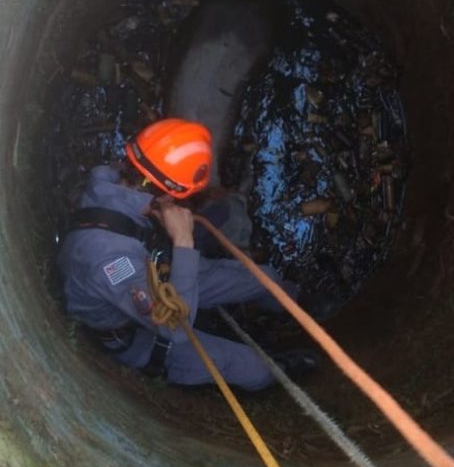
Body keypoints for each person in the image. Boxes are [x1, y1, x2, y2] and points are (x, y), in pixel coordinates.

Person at [58, 118, 317, 390]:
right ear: (167, 193)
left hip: (154, 266)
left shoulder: (109, 181)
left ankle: (297, 306)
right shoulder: (110, 261)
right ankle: (277, 372)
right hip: (137, 329)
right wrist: (183, 240)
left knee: (264, 278)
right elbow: (174, 328)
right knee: (251, 368)